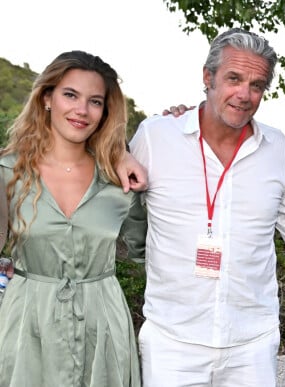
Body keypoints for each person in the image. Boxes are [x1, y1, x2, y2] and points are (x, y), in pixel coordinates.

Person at [128, 28, 285, 386]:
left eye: (257, 85)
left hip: (252, 345)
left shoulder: (276, 148)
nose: (244, 94)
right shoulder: (156, 136)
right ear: (207, 77)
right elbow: (111, 197)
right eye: (234, 78)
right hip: (171, 343)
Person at [0, 50, 146, 386]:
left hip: (104, 327)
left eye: (95, 101)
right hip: (27, 326)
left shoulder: (121, 180)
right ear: (47, 98)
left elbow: (149, 255)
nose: (82, 110)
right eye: (70, 95)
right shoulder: (7, 172)